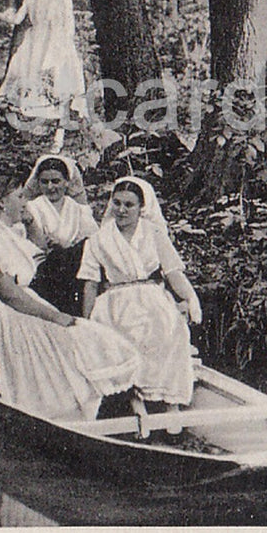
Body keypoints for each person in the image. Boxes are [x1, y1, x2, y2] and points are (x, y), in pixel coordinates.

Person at [0, 175, 140, 422]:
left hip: (26, 297)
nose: (26, 202)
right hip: (11, 308)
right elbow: (8, 292)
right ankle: (79, 407)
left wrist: (29, 222)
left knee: (84, 333)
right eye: (20, 197)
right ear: (3, 203)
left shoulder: (8, 230)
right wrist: (54, 316)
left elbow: (36, 255)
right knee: (75, 336)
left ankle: (109, 399)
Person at [78, 177, 203, 412]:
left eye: (129, 205)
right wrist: (86, 322)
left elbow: (173, 271)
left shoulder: (153, 233)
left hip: (151, 296)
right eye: (117, 203)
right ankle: (135, 397)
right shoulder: (98, 240)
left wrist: (190, 297)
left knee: (168, 328)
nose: (122, 210)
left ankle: (170, 402)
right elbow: (90, 283)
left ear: (140, 207)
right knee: (124, 332)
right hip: (115, 300)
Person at [0, 0, 86, 148]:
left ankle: (58, 136)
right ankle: (28, 136)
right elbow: (19, 19)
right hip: (33, 42)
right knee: (22, 86)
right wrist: (0, 16)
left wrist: (51, 54)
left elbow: (58, 27)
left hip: (52, 44)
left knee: (57, 87)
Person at [21, 155, 97, 316]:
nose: (50, 187)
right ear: (38, 183)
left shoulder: (77, 208)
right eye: (45, 182)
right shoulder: (32, 207)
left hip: (74, 265)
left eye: (56, 181)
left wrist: (65, 246)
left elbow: (92, 238)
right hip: (44, 267)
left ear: (66, 182)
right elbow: (34, 243)